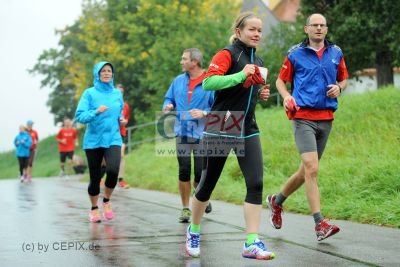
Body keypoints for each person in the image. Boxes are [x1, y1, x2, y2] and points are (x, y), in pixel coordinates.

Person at [184, 12, 275, 260]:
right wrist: (240, 75)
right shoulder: (227, 54)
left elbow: (245, 91)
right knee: (207, 183)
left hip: (248, 124)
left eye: (259, 30)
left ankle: (251, 242)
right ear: (238, 31)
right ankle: (193, 230)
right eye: (252, 30)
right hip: (222, 122)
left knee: (256, 183)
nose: (257, 34)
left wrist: (260, 94)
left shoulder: (258, 59)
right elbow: (209, 83)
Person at [266, 13, 348, 241]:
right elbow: (280, 81)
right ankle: (319, 223)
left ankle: (277, 201)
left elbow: (344, 79)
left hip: (326, 117)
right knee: (312, 168)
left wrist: (339, 89)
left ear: (326, 29)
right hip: (302, 116)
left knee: (305, 171)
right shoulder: (295, 54)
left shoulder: (336, 53)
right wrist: (285, 96)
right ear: (306, 29)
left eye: (323, 25)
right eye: (315, 25)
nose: (319, 28)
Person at [162, 48, 214, 223]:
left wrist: (204, 113)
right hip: (182, 132)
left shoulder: (210, 81)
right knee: (184, 170)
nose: (181, 61)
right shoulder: (178, 81)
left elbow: (218, 107)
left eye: (184, 59)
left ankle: (201, 196)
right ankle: (185, 208)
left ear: (195, 62)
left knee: (200, 173)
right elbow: (169, 98)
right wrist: (168, 106)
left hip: (202, 133)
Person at [75, 61, 124, 223]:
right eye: (103, 71)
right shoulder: (89, 93)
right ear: (97, 74)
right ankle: (94, 208)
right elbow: (80, 116)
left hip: (113, 138)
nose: (106, 73)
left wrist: (121, 119)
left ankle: (107, 201)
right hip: (93, 141)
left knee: (113, 170)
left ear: (112, 74)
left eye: (109, 70)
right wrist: (96, 112)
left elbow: (120, 110)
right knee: (95, 178)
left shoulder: (117, 93)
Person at [115, 84, 130, 189]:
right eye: (118, 92)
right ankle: (100, 177)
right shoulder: (110, 103)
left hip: (121, 132)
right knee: (105, 159)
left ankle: (120, 180)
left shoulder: (126, 106)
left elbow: (126, 119)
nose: (120, 94)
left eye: (122, 92)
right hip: (110, 133)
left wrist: (125, 122)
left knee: (121, 155)